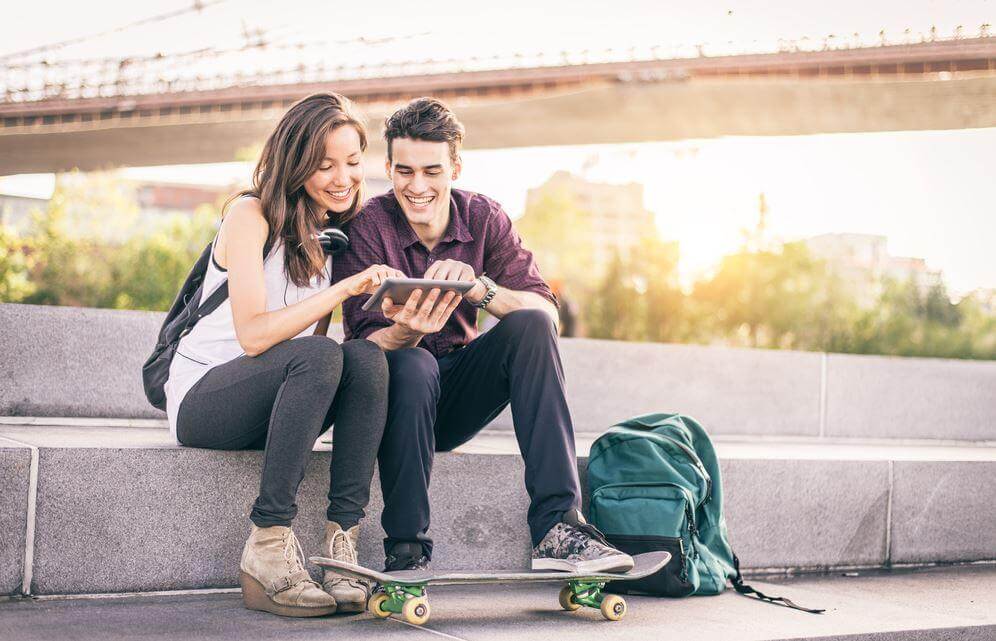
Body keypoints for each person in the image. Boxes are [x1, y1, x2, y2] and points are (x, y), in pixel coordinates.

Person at [334, 97, 633, 574]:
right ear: (388, 169)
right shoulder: (366, 225)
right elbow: (360, 357)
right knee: (413, 363)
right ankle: (406, 549)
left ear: (455, 166)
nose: (417, 187)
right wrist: (406, 331)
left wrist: (480, 288)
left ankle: (559, 529)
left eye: (432, 171)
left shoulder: (483, 217)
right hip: (394, 404)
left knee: (529, 324)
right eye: (404, 172)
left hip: (456, 396)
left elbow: (546, 313)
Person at [163, 93, 404, 617]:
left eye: (352, 162)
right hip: (204, 398)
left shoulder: (327, 234)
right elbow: (254, 337)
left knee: (364, 357)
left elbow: (314, 357)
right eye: (325, 165)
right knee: (321, 354)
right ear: (296, 163)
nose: (343, 178)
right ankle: (268, 545)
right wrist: (343, 291)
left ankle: (342, 544)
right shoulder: (249, 215)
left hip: (268, 403)